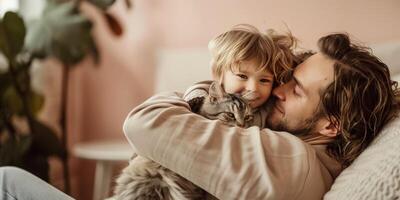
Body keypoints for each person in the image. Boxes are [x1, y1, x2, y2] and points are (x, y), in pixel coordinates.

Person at [122, 33, 400, 199]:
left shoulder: (290, 160)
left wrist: (211, 89)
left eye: (297, 91)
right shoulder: (308, 162)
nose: (279, 90)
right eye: (288, 79)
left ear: (331, 125)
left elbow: (143, 122)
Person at [183, 24, 296, 128]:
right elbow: (200, 87)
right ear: (218, 74)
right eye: (242, 76)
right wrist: (197, 102)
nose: (253, 88)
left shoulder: (269, 109)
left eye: (264, 80)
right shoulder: (214, 96)